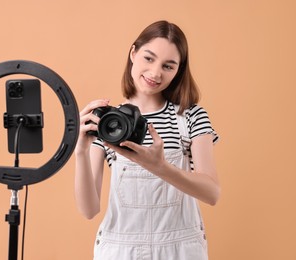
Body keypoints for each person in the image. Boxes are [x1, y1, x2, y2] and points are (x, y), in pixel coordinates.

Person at [74, 20, 220, 260]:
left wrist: (160, 167)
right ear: (133, 53)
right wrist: (80, 150)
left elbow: (212, 193)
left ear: (178, 71)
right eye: (149, 58)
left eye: (168, 66)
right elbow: (89, 210)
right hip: (121, 249)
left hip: (180, 249)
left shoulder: (191, 116)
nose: (155, 73)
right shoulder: (109, 122)